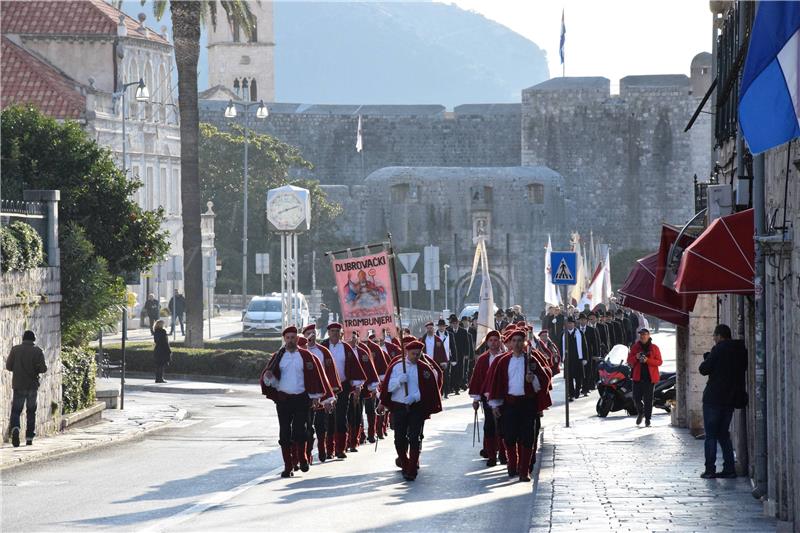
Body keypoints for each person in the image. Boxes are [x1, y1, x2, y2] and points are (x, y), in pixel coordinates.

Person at [260, 326, 332, 478]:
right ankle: (288, 466)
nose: (291, 340)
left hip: (301, 399)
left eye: (293, 337)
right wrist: (268, 378)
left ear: (297, 339)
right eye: (288, 338)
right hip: (284, 399)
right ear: (284, 339)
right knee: (285, 433)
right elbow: (269, 379)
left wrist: (316, 396)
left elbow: (316, 377)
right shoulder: (277, 356)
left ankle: (302, 458)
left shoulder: (306, 356)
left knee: (301, 430)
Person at [486, 329, 550, 482]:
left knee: (527, 437)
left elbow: (544, 381)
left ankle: (524, 470)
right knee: (509, 436)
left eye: (520, 341)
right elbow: (497, 384)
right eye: (514, 341)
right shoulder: (503, 361)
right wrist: (495, 405)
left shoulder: (531, 360)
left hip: (527, 404)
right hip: (510, 405)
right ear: (510, 343)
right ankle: (512, 465)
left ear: (524, 343)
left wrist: (532, 379)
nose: (517, 344)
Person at [380, 339, 442, 481]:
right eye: (413, 354)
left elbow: (429, 389)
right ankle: (405, 462)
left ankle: (412, 468)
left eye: (418, 354)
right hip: (399, 406)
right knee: (399, 439)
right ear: (407, 352)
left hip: (416, 408)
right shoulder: (396, 367)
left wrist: (415, 397)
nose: (416, 357)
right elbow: (388, 388)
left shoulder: (424, 368)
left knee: (415, 437)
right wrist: (398, 381)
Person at [699, 324, 748, 479]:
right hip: (730, 399)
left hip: (713, 399)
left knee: (711, 435)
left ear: (720, 336)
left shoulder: (718, 349)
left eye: (714, 336)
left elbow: (703, 369)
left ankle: (710, 470)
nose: (713, 338)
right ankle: (729, 468)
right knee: (723, 434)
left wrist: (707, 358)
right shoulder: (740, 350)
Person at [321, 323, 367, 459]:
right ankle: (329, 449)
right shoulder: (323, 347)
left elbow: (354, 366)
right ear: (328, 332)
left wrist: (357, 385)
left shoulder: (346, 348)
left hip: (343, 387)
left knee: (341, 417)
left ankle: (340, 448)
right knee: (327, 419)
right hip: (326, 388)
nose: (335, 333)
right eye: (332, 331)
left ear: (341, 333)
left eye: (338, 331)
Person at [303, 324, 340, 463]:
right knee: (307, 428)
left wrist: (330, 398)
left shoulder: (323, 352)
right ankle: (307, 454)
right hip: (305, 397)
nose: (311, 336)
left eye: (313, 333)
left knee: (321, 426)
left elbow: (330, 375)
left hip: (321, 396)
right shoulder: (299, 353)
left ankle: (322, 449)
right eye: (308, 334)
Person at [468, 330, 505, 467]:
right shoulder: (483, 359)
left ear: (500, 341)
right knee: (489, 425)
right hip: (487, 397)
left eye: (496, 340)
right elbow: (477, 379)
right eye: (491, 340)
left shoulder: (505, 357)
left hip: (503, 397)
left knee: (503, 426)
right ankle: (491, 455)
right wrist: (476, 399)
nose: (493, 343)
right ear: (487, 342)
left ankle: (503, 453)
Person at [6, 330, 47, 447]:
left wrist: (18, 368)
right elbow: (43, 369)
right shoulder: (38, 351)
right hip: (32, 386)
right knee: (31, 411)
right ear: (34, 339)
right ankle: (29, 437)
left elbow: (8, 366)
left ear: (23, 338)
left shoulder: (15, 350)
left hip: (18, 385)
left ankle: (15, 428)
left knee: (16, 411)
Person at [626, 328, 663, 427]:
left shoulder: (654, 348)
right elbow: (629, 361)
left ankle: (647, 419)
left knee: (648, 400)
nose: (643, 336)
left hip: (649, 378)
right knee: (636, 398)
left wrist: (648, 360)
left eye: (645, 334)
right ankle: (640, 412)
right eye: (641, 335)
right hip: (637, 377)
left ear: (649, 335)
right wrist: (636, 357)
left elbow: (659, 362)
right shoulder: (635, 347)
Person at [561, 317, 588, 400]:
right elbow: (560, 346)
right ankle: (571, 394)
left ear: (574, 324)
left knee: (578, 376)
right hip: (568, 358)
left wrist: (585, 358)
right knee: (569, 377)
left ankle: (577, 391)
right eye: (568, 323)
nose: (570, 325)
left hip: (577, 358)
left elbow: (584, 346)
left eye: (571, 323)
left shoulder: (579, 333)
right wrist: (560, 358)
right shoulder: (563, 334)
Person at [449, 314, 474, 395]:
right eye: (453, 323)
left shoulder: (463, 331)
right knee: (452, 370)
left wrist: (467, 354)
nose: (455, 324)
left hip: (460, 354)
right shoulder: (448, 331)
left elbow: (467, 343)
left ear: (458, 323)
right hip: (451, 354)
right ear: (451, 324)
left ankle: (457, 387)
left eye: (456, 323)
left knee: (460, 370)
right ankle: (452, 386)